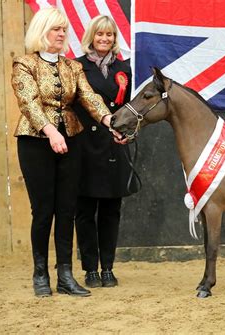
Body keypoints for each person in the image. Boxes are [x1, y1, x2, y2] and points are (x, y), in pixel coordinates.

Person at [11, 7, 126, 297]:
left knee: (67, 209)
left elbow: (89, 97)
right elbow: (29, 102)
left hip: (71, 140)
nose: (62, 34)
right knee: (43, 210)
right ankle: (40, 273)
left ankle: (65, 274)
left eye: (64, 29)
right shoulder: (24, 65)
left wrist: (109, 121)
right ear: (42, 31)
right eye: (56, 29)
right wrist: (49, 131)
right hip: (35, 141)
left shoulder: (73, 67)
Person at [73, 15, 137, 289]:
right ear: (92, 36)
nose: (105, 39)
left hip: (114, 146)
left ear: (114, 38)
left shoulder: (125, 69)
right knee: (85, 211)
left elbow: (131, 108)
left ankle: (108, 267)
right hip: (85, 146)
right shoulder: (77, 66)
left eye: (109, 35)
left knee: (112, 211)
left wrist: (127, 133)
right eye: (100, 35)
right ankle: (90, 269)